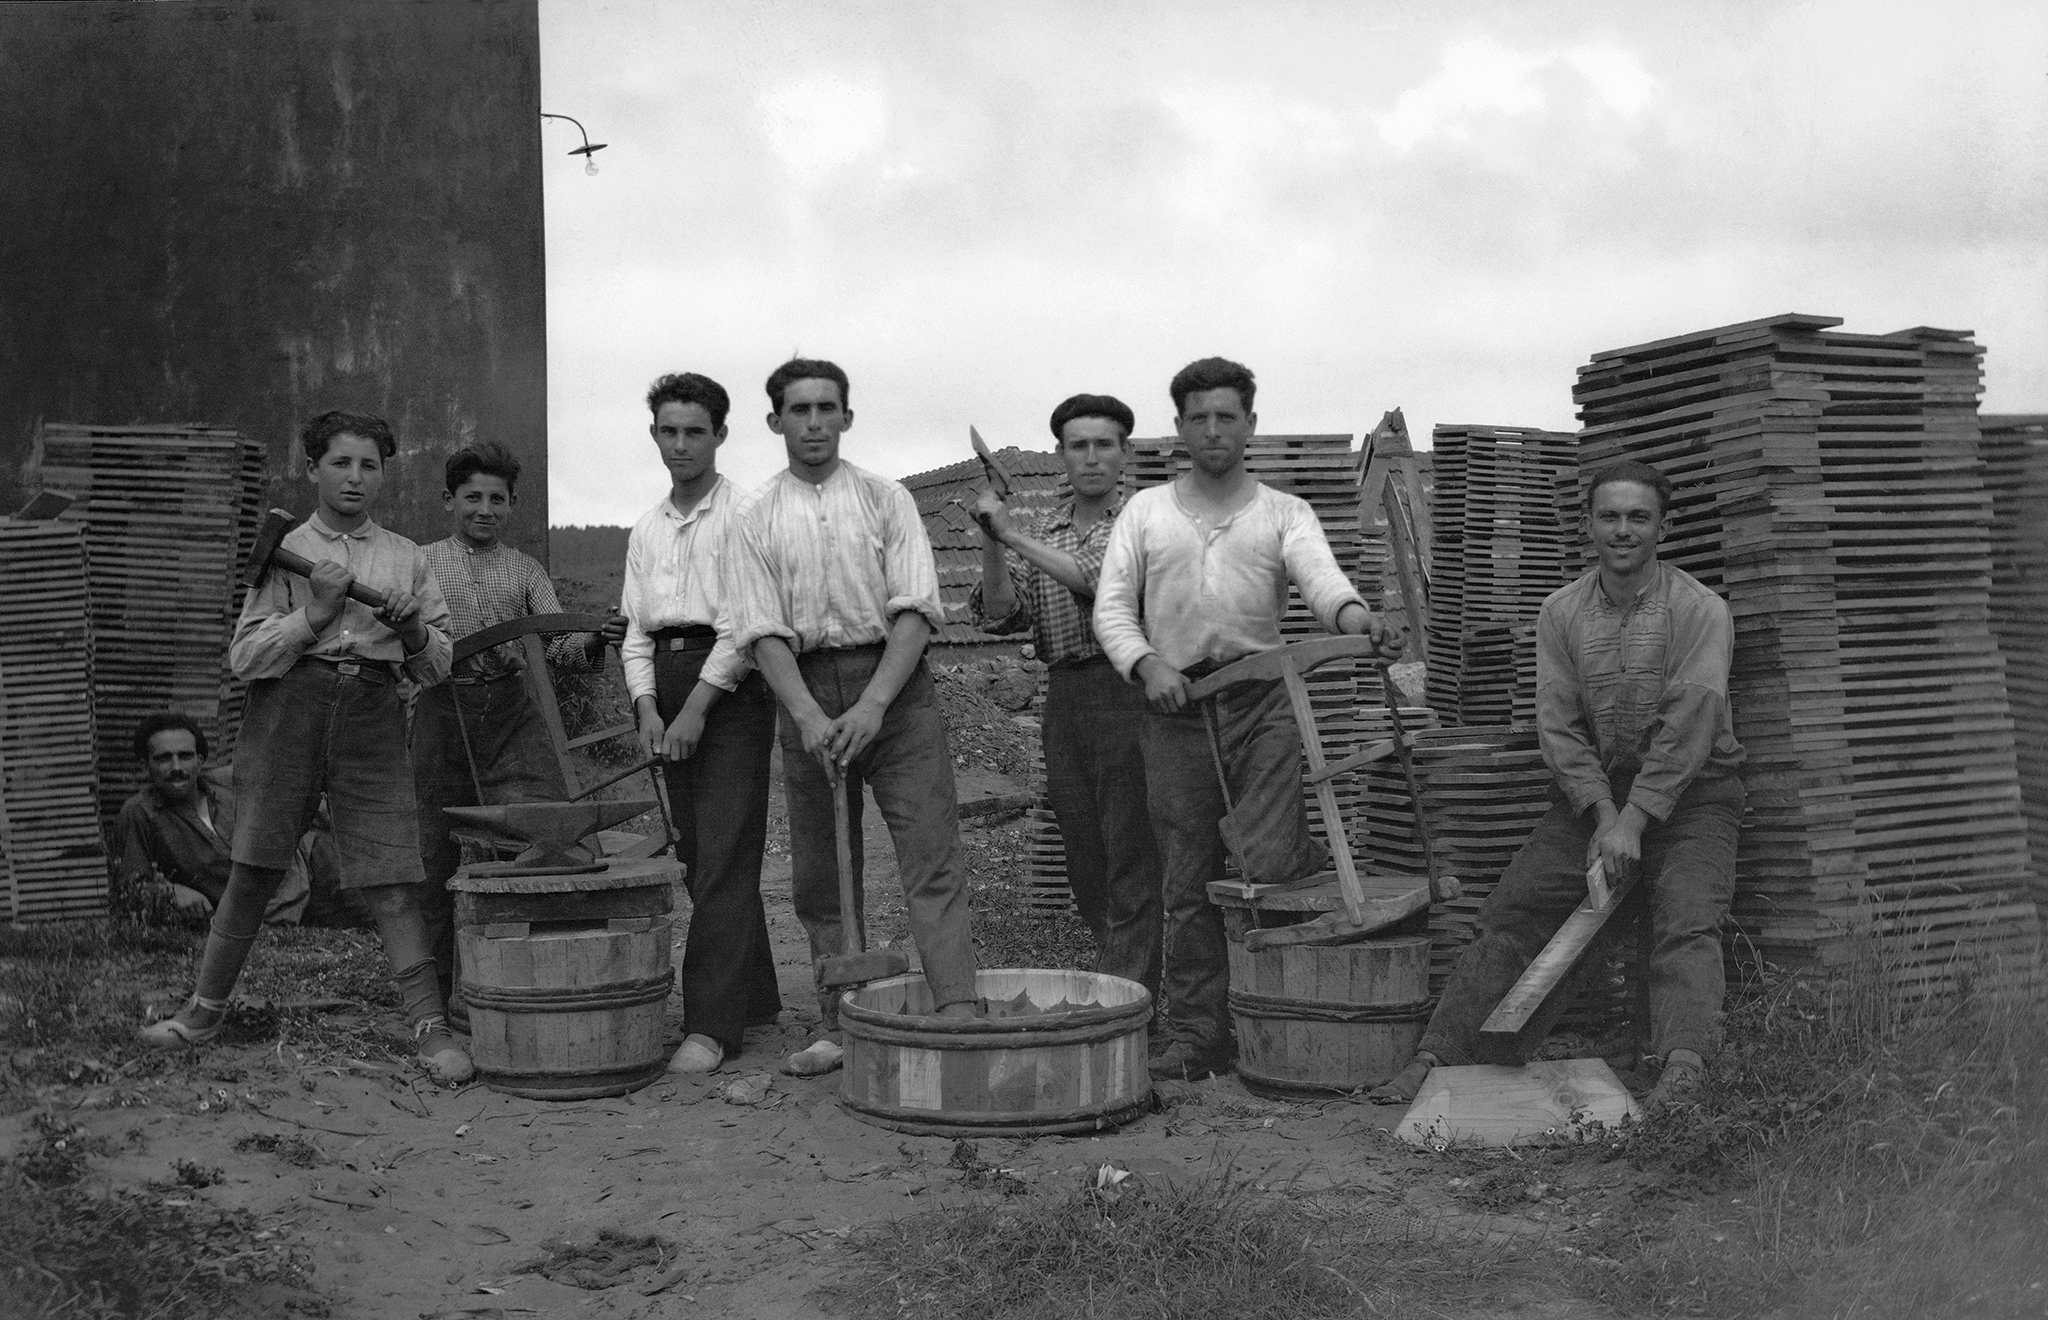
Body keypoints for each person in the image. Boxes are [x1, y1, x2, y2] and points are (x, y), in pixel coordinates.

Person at [1368, 460, 1746, 1110]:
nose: (1623, 530)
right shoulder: (1562, 612)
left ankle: (1684, 1074)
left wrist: (1634, 822)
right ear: (1589, 526)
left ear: (1663, 527)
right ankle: (1439, 1061)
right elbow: (1560, 727)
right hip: (1594, 794)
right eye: (1610, 517)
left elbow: (1691, 726)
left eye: (1638, 517)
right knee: (1512, 916)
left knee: (1685, 921)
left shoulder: (1700, 610)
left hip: (1696, 794)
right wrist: (1604, 814)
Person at [1093, 357, 1405, 1082]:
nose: (1212, 430)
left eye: (1226, 416)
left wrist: (1358, 615)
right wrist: (1148, 666)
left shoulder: (1283, 512)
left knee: (1273, 867)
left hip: (1262, 705)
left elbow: (1322, 579)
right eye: (1197, 417)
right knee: (1187, 877)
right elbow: (1112, 608)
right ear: (1178, 427)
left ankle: (1279, 1014)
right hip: (1175, 709)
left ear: (1250, 425)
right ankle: (1200, 1035)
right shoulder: (1145, 513)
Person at [138, 410, 472, 1085]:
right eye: (341, 463)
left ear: (383, 473)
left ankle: (430, 1028)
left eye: (369, 465)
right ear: (314, 468)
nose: (355, 478)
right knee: (255, 869)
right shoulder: (287, 548)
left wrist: (412, 635)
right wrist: (313, 614)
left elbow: (438, 666)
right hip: (288, 709)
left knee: (392, 880)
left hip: (374, 715)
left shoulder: (406, 558)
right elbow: (245, 657)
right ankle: (203, 1013)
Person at [726, 358, 981, 1077]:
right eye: (799, 410)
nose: (814, 422)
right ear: (775, 420)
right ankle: (843, 1022)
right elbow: (760, 628)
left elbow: (916, 608)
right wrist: (807, 715)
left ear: (847, 417)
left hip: (895, 689)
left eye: (826, 408)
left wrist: (873, 704)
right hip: (805, 691)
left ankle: (955, 1008)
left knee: (930, 853)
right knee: (821, 872)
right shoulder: (754, 516)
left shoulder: (885, 499)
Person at [413, 440, 624, 1015]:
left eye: (498, 499)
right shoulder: (421, 562)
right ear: (449, 500)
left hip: (513, 714)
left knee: (542, 835)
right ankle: (442, 995)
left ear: (512, 505)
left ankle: (529, 979)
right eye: (472, 497)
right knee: (434, 853)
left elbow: (557, 646)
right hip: (441, 714)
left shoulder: (525, 570)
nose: (485, 509)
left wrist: (591, 638)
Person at [970, 393, 1162, 998]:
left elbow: (1100, 583)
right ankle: (1123, 982)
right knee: (1084, 850)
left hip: (1132, 692)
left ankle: (1126, 999)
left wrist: (1010, 533)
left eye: (1105, 444)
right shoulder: (1046, 531)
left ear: (1125, 453)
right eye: (1077, 445)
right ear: (1060, 455)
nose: (1091, 457)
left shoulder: (1146, 520)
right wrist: (992, 537)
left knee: (1132, 849)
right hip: (1067, 697)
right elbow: (1000, 613)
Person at [620, 372, 784, 1075]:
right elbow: (633, 632)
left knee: (725, 853)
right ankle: (757, 995)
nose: (680, 444)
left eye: (695, 431)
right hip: (667, 677)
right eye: (668, 431)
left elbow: (746, 626)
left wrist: (695, 709)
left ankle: (711, 1026)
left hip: (733, 690)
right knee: (697, 852)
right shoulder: (646, 527)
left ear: (720, 434)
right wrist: (648, 706)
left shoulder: (746, 514)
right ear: (653, 434)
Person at [111, 711, 310, 927]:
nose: (176, 768)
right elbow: (131, 887)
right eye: (164, 758)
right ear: (144, 765)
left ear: (200, 760)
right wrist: (172, 892)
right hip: (259, 917)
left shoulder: (229, 785)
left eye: (185, 756)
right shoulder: (140, 814)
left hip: (308, 880)